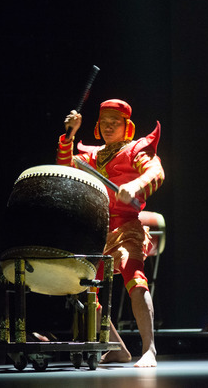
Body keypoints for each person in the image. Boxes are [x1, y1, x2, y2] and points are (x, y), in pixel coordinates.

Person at [57, 99, 164, 367]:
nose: (108, 127)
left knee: (135, 280)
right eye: (104, 122)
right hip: (96, 231)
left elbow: (156, 171)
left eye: (114, 122)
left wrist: (136, 185)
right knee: (85, 290)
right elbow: (64, 169)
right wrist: (69, 135)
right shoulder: (90, 157)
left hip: (126, 227)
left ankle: (149, 349)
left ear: (127, 126)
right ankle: (118, 348)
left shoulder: (135, 150)